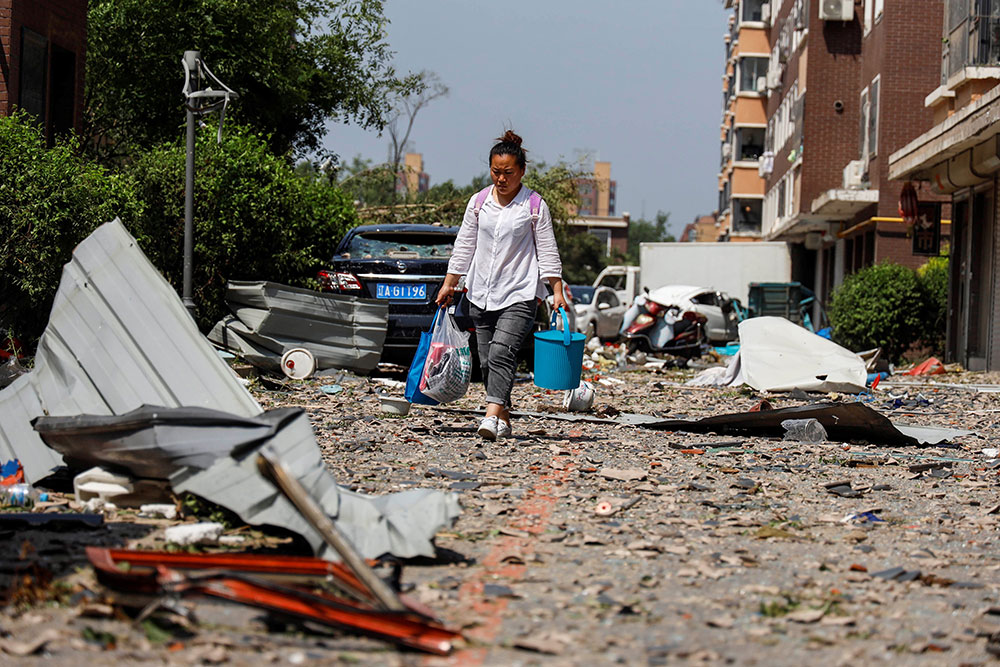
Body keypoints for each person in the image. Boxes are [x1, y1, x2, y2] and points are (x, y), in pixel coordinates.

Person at [436, 130, 567, 441]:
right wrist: (449, 284)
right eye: (496, 172)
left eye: (508, 172)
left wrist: (556, 290)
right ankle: (504, 418)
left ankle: (490, 417)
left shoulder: (534, 206)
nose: (501, 179)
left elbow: (548, 249)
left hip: (519, 293)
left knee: (501, 353)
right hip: (480, 292)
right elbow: (464, 245)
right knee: (488, 359)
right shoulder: (479, 202)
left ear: (522, 171)